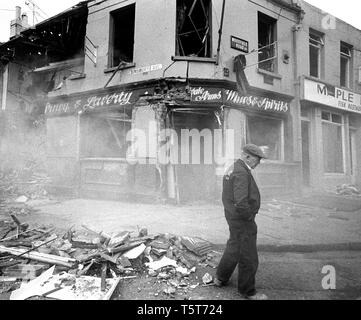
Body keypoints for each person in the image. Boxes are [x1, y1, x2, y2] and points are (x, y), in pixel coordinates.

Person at [214, 144, 268, 300]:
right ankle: (247, 291)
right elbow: (241, 201)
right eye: (257, 159)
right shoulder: (242, 172)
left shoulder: (233, 168)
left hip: (232, 216)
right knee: (249, 255)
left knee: (234, 246)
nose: (258, 163)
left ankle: (220, 277)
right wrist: (249, 217)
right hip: (242, 218)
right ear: (247, 156)